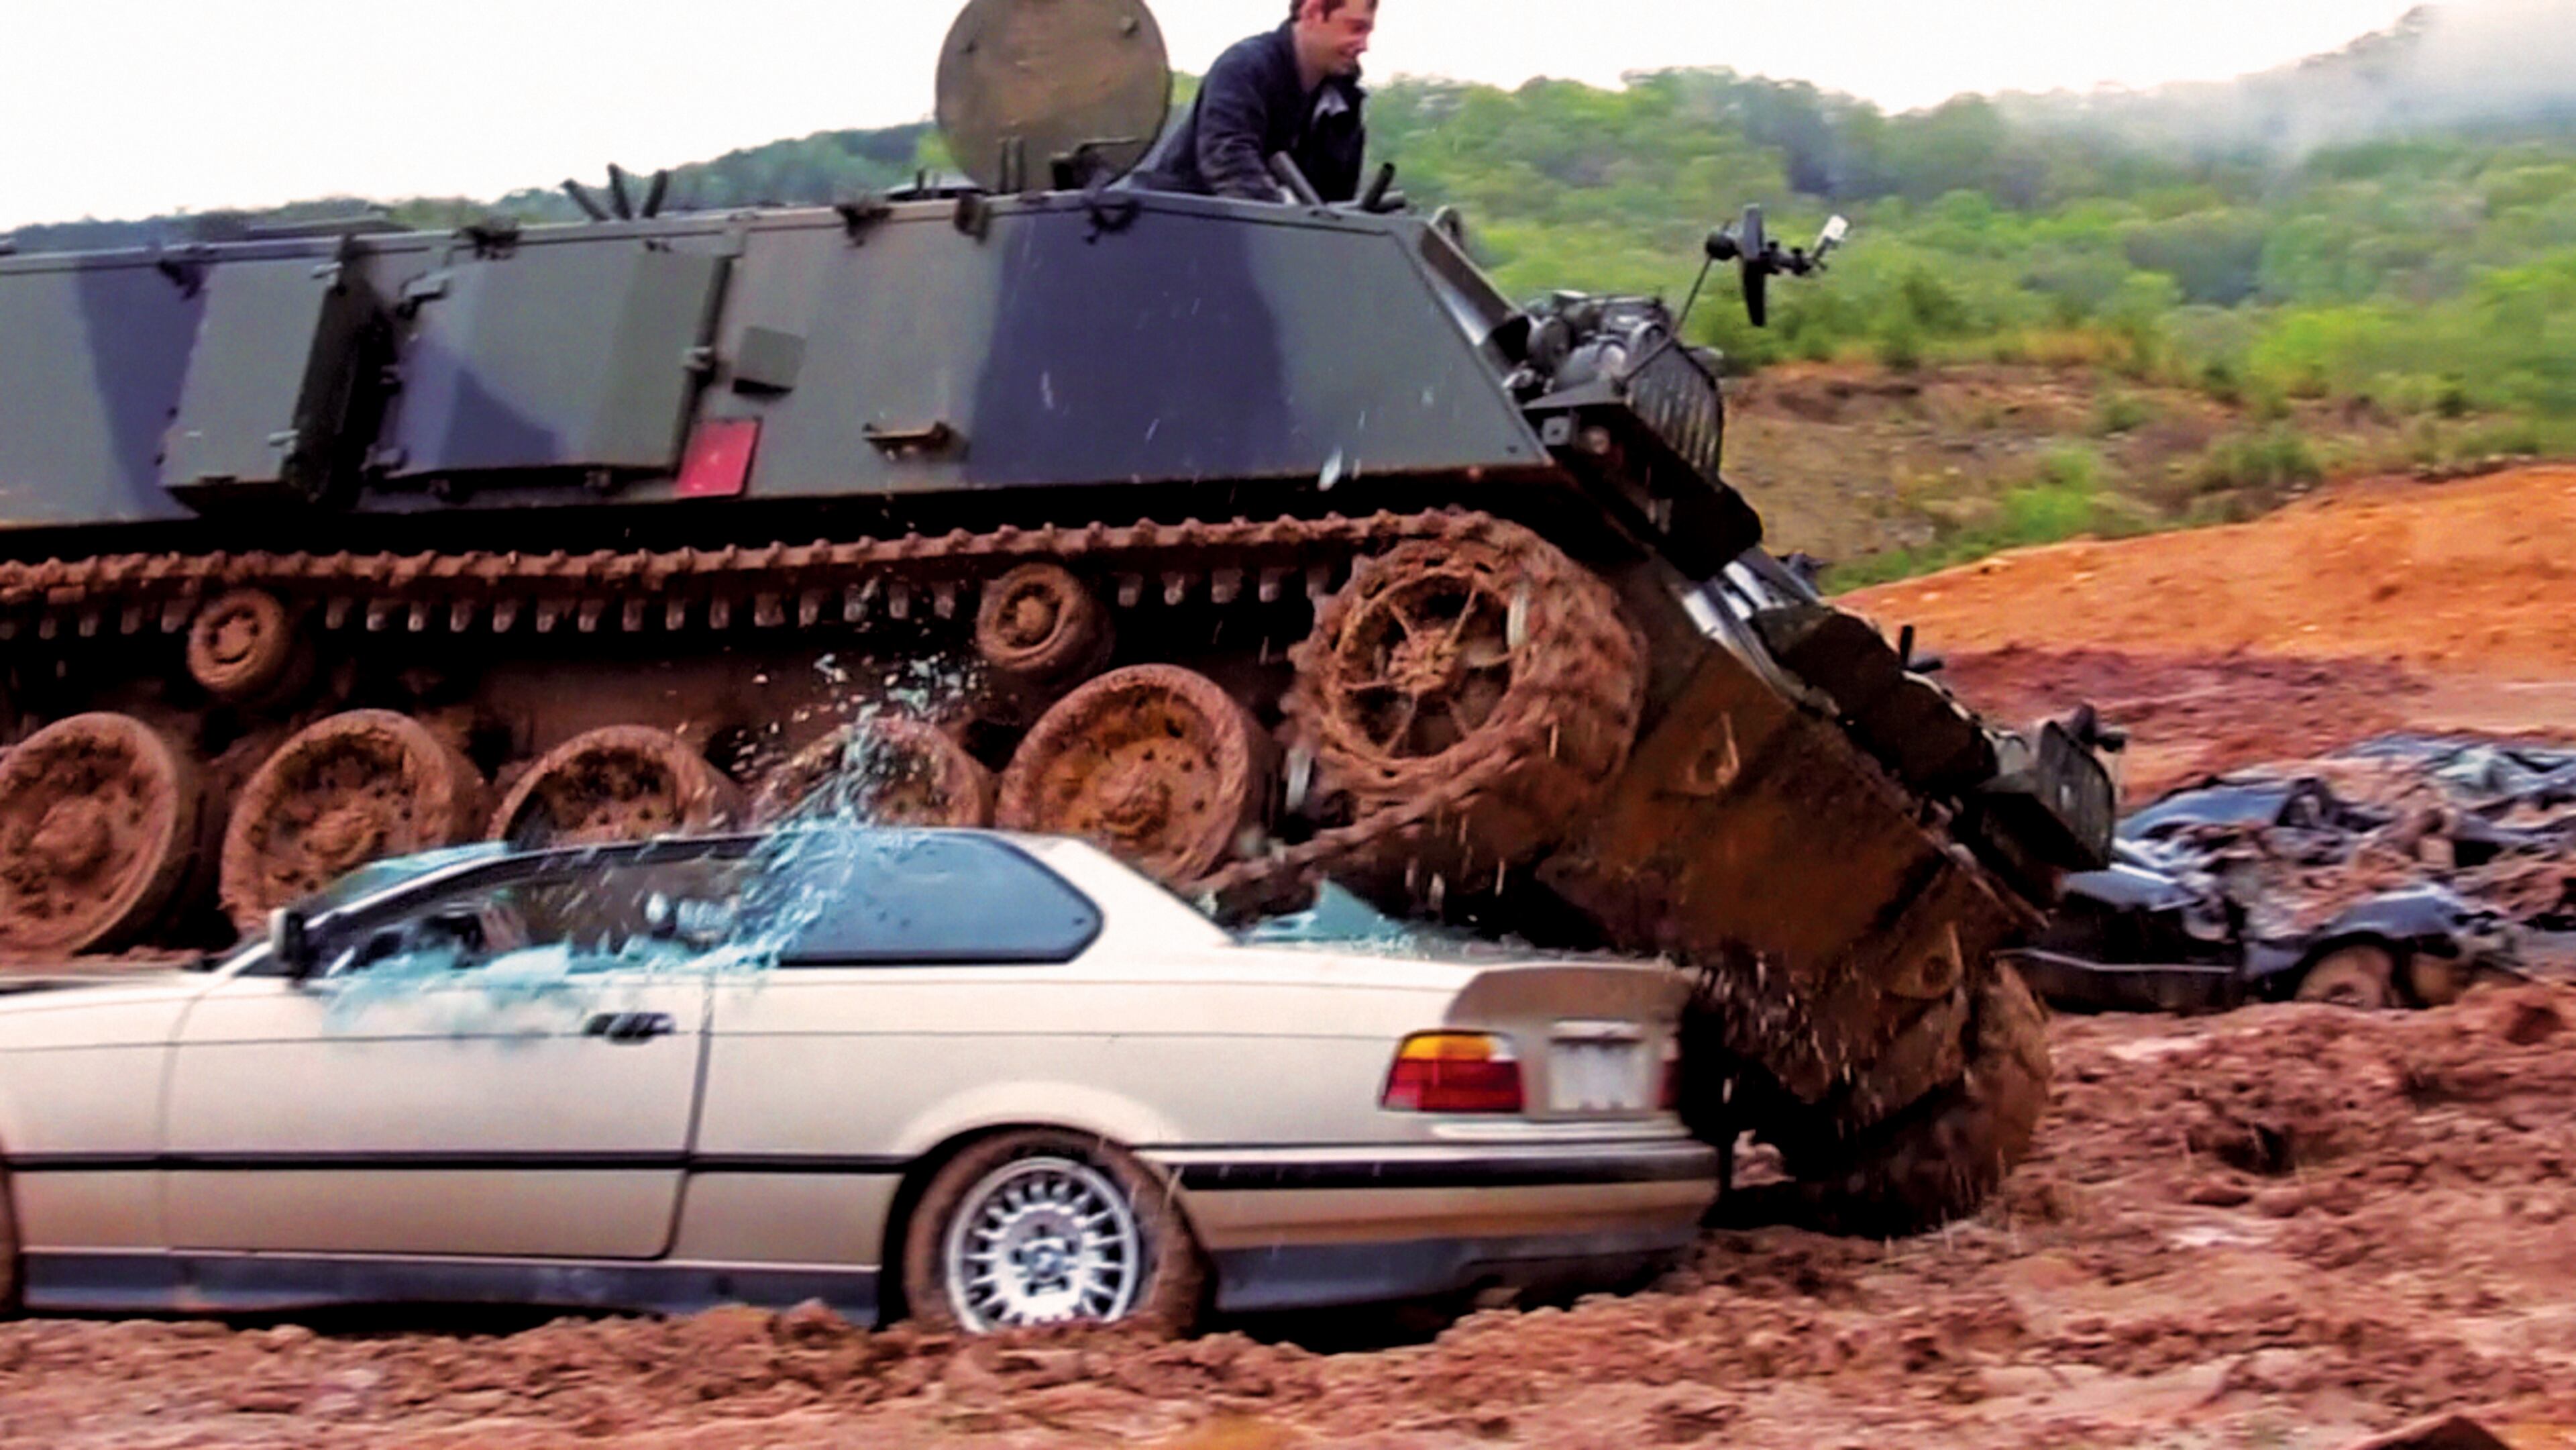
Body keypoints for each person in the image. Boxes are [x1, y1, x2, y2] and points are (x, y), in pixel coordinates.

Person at [1134, 0, 1375, 203]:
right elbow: (1228, 161)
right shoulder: (1245, 68)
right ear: (1312, 12)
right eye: (1355, 29)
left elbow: (1336, 197)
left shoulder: (1342, 103)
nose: (1364, 46)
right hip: (1180, 229)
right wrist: (1283, 216)